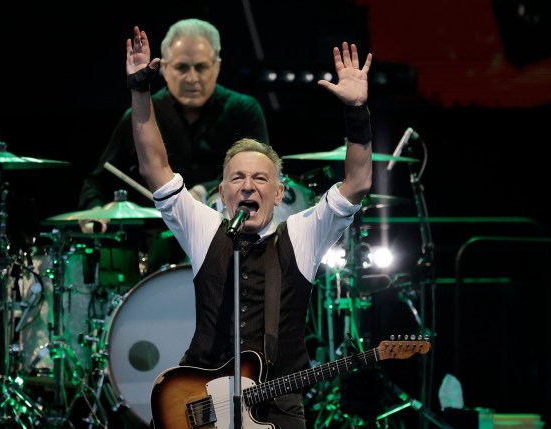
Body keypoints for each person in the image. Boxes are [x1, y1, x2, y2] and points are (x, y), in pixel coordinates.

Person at [126, 22, 373, 429]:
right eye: (238, 179)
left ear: (278, 193)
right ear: (222, 193)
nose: (248, 186)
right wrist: (139, 91)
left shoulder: (302, 234)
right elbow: (156, 167)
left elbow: (358, 184)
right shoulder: (207, 230)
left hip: (276, 404)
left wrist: (357, 112)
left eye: (260, 179)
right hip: (199, 402)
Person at [77, 18, 269, 234]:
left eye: (201, 67)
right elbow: (97, 181)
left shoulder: (244, 110)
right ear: (164, 68)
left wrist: (202, 192)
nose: (192, 78)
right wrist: (94, 210)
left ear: (217, 67)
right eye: (181, 67)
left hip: (225, 235)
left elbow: (259, 175)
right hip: (154, 241)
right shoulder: (141, 115)